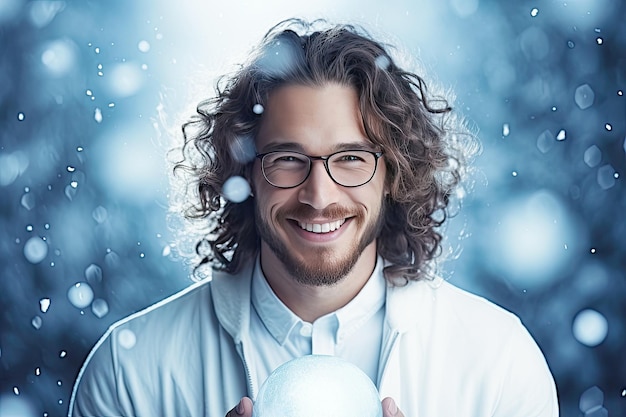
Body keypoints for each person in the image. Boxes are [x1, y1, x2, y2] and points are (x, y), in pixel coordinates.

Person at [69, 19, 559, 417]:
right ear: (244, 171)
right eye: (287, 158)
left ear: (394, 173)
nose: (319, 195)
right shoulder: (128, 371)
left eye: (351, 158)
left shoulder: (499, 363)